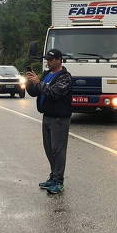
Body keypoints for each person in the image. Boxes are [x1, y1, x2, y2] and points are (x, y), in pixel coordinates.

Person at [26, 49, 73, 195]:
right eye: (47, 59)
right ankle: (53, 177)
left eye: (51, 59)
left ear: (59, 60)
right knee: (49, 149)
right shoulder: (47, 74)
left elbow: (54, 93)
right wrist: (30, 82)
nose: (48, 62)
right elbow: (35, 92)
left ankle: (59, 181)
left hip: (59, 118)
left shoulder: (65, 77)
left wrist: (39, 82)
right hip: (47, 116)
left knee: (58, 149)